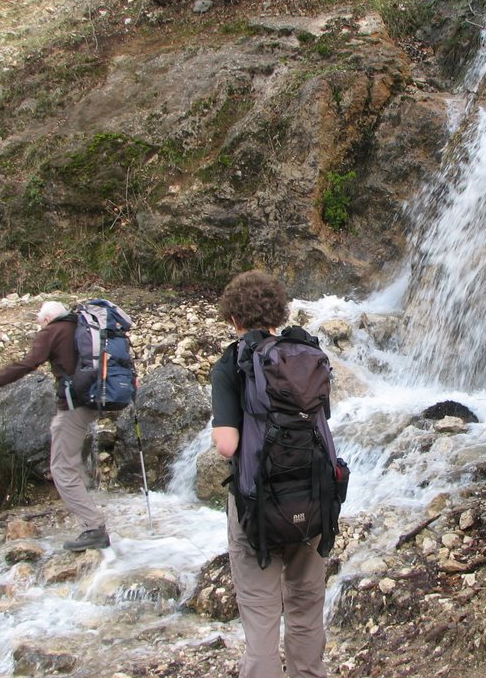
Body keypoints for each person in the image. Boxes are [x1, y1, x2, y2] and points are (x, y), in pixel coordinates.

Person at [210, 271, 329, 678]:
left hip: (257, 505)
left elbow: (227, 445)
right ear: (279, 312)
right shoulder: (304, 353)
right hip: (313, 497)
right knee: (307, 607)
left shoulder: (232, 362)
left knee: (261, 617)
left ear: (233, 318)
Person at [0, 300, 109, 552]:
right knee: (70, 461)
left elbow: (27, 364)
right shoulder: (84, 326)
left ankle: (94, 528)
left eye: (39, 321)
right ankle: (87, 496)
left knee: (60, 468)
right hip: (96, 400)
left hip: (73, 406)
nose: (39, 326)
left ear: (47, 319)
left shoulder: (51, 331)